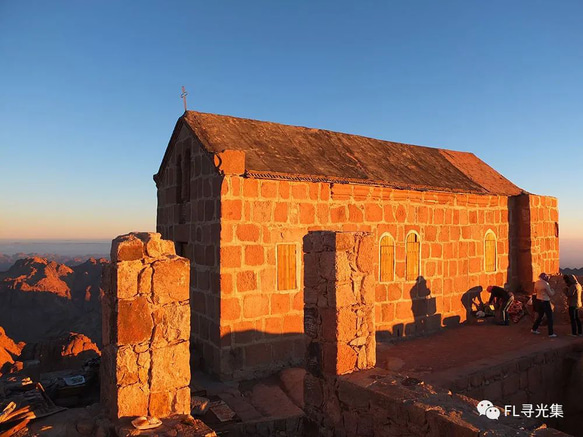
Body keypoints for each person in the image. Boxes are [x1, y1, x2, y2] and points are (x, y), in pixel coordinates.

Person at [531, 273, 556, 337]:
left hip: (538, 300)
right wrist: (553, 290)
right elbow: (550, 294)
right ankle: (551, 333)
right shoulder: (546, 284)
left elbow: (535, 291)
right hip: (545, 301)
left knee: (540, 315)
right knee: (550, 317)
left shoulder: (537, 282)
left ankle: (534, 328)